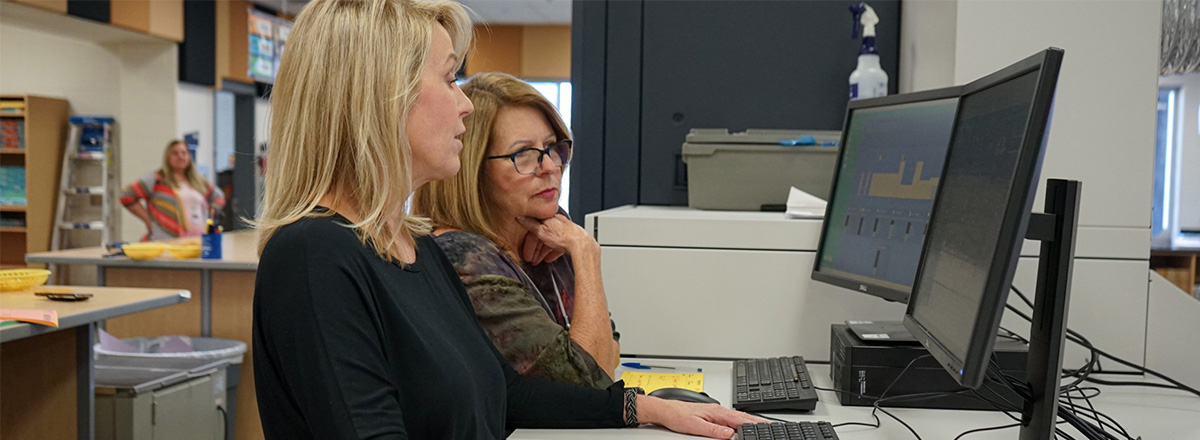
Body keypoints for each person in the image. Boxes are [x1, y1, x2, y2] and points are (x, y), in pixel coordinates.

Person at [251, 1, 763, 439]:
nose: (465, 105)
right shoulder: (314, 257)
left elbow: (506, 394)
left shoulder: (416, 247)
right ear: (380, 99)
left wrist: (645, 409)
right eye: (451, 79)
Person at [412, 72, 618, 389]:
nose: (550, 166)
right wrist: (585, 253)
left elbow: (609, 341)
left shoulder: (547, 234)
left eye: (552, 147)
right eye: (523, 153)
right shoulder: (466, 262)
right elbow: (591, 381)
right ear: (472, 170)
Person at [120, 140, 224, 241]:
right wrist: (148, 220)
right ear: (168, 157)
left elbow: (218, 197)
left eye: (184, 153)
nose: (180, 156)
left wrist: (212, 209)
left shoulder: (199, 181)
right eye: (175, 153)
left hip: (198, 240)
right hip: (165, 239)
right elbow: (126, 195)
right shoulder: (157, 180)